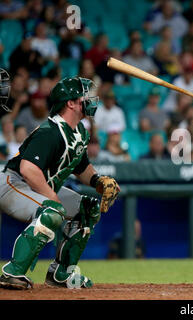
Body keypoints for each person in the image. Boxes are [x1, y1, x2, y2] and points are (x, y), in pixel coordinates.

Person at [0, 76, 120, 290]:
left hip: (35, 186)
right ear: (70, 103)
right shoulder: (50, 131)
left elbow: (81, 168)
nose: (91, 100)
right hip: (12, 182)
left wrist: (99, 181)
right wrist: (51, 197)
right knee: (52, 210)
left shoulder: (79, 131)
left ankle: (60, 273)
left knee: (88, 208)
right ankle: (13, 273)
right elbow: (28, 169)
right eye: (86, 96)